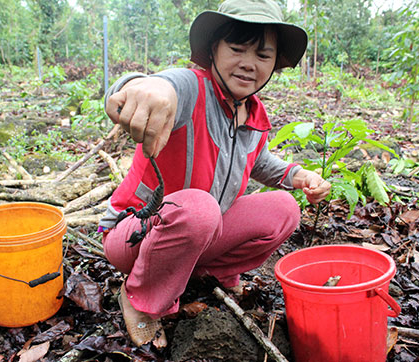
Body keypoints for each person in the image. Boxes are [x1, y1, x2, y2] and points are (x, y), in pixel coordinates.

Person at [98, 0, 331, 349]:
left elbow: (260, 162)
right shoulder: (190, 88)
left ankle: (209, 272)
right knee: (199, 209)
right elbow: (158, 88)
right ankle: (141, 300)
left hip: (197, 231)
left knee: (284, 208)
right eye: (237, 48)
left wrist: (298, 176)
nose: (249, 64)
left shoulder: (252, 114)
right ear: (213, 49)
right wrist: (144, 90)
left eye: (263, 56)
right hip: (134, 234)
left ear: (274, 65)